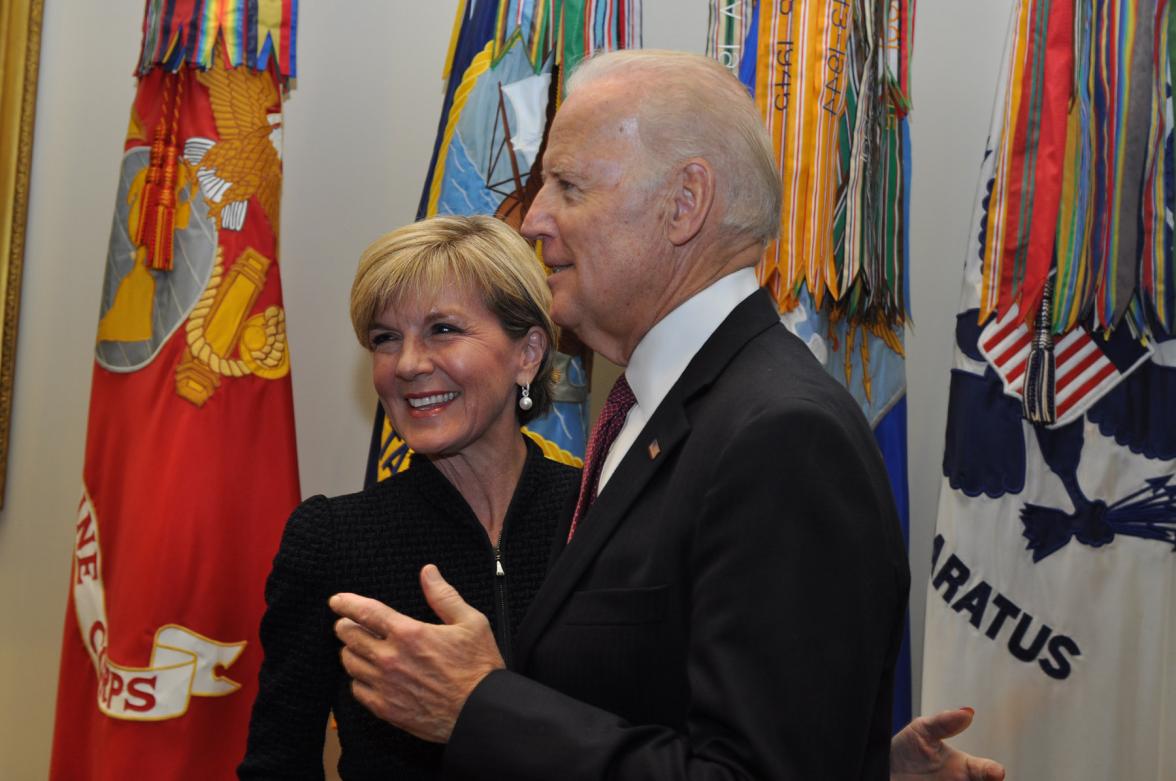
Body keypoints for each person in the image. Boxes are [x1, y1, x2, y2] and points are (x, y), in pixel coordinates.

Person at [329, 50, 1005, 780]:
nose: (532, 218)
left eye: (568, 185)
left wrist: (480, 705)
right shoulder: (656, 413)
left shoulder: (781, 437)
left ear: (685, 205)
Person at [238, 215, 581, 778]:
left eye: (443, 329)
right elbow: (278, 763)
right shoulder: (331, 540)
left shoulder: (602, 516)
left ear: (529, 352)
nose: (409, 365)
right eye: (385, 339)